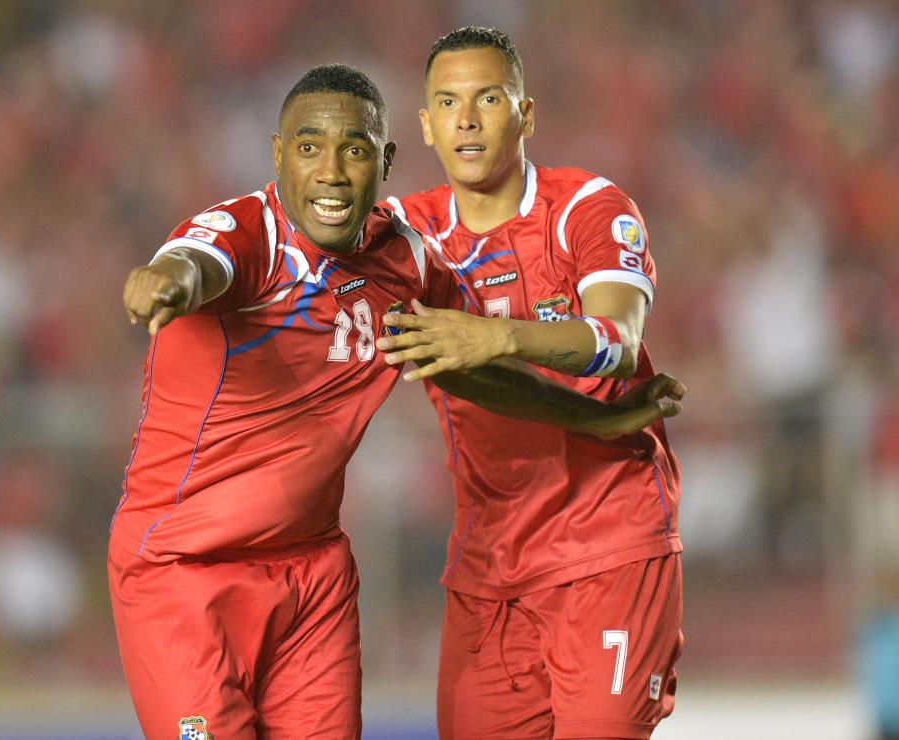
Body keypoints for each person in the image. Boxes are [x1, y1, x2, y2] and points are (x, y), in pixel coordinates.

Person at [111, 63, 685, 739]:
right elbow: (197, 260)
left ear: (385, 160)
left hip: (313, 578)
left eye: (353, 150)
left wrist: (601, 415)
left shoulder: (404, 261)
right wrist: (165, 281)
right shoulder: (248, 234)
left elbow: (468, 366)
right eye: (308, 148)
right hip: (185, 572)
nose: (330, 172)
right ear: (276, 155)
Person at [379, 27, 684, 739]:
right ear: (424, 126)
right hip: (489, 570)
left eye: (488, 98)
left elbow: (617, 341)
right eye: (448, 103)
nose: (467, 120)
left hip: (608, 543)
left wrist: (499, 333)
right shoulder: (405, 234)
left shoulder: (587, 207)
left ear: (527, 113)